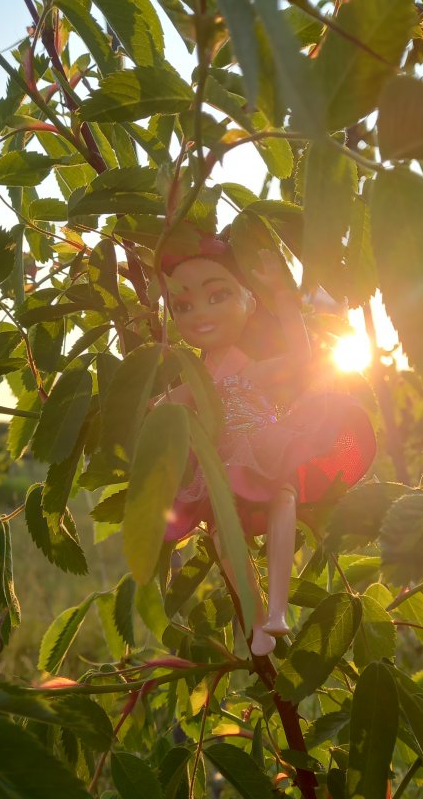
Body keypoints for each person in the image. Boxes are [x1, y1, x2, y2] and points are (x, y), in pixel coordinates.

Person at [160, 237, 375, 657]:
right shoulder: (195, 380)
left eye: (217, 296)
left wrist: (283, 295)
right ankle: (257, 617)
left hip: (265, 443)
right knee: (222, 532)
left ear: (250, 301)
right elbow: (161, 406)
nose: (201, 314)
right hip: (222, 460)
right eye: (183, 306)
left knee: (282, 496)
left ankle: (277, 609)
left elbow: (302, 357)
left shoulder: (253, 369)